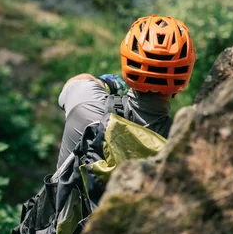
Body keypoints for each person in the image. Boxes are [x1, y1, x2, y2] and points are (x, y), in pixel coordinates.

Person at [55, 14, 196, 168]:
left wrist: (105, 83)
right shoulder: (183, 145)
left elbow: (76, 82)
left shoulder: (84, 100)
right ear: (185, 74)